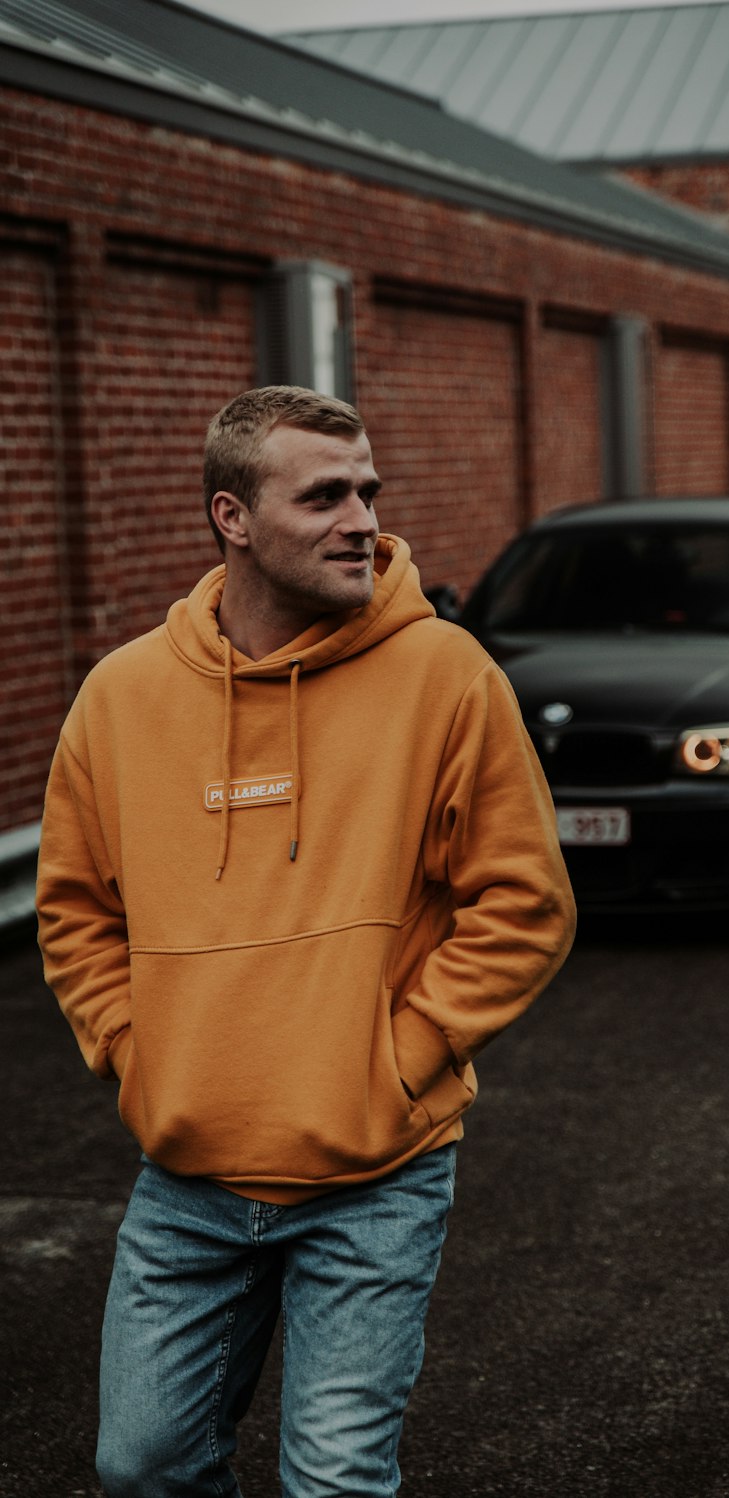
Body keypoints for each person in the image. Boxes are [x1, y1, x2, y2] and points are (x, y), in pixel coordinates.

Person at [36, 385, 576, 1498]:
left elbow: (525, 903)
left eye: (367, 491)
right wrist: (141, 1058)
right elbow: (77, 909)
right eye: (324, 494)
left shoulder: (446, 676)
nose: (361, 519)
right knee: (141, 1467)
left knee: (333, 1480)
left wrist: (397, 1058)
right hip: (186, 1173)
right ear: (232, 517)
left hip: (374, 1173)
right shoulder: (122, 697)